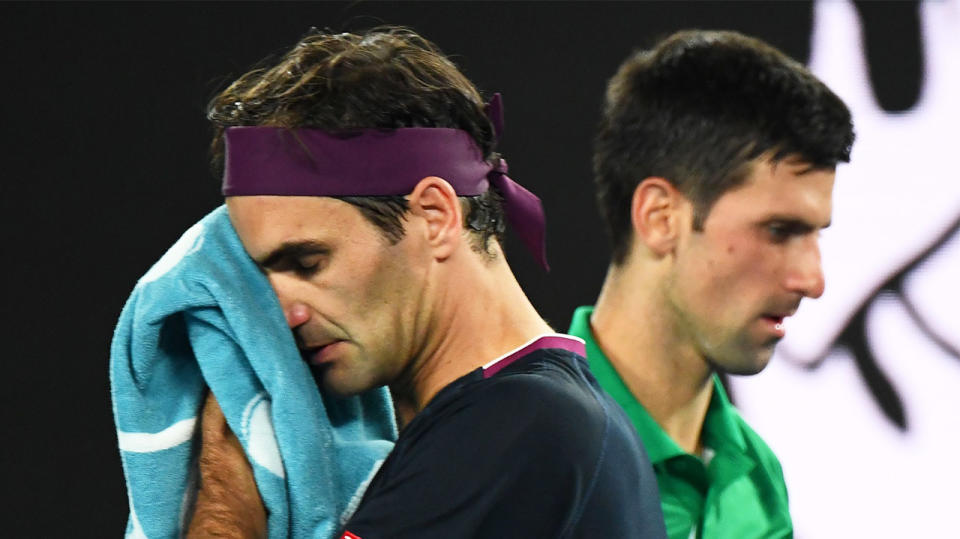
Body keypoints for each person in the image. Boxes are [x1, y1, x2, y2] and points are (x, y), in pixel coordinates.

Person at [188, 27, 667, 538]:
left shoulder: (519, 427)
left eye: (308, 264)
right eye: (263, 279)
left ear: (436, 216)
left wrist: (230, 469)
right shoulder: (523, 418)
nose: (285, 315)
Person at [568, 30, 855, 538]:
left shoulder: (758, 478)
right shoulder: (528, 451)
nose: (813, 280)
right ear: (661, 218)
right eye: (779, 230)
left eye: (815, 234)